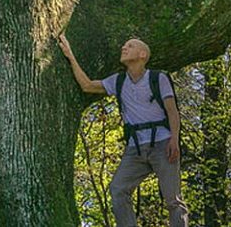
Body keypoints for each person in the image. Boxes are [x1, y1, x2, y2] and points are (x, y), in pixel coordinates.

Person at [58, 34, 189, 227]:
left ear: (142, 54)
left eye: (130, 45)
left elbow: (172, 112)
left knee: (173, 199)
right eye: (124, 45)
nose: (124, 48)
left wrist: (174, 140)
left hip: (163, 144)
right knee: (118, 189)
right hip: (135, 148)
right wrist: (70, 55)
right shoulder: (118, 81)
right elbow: (87, 85)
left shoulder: (157, 78)